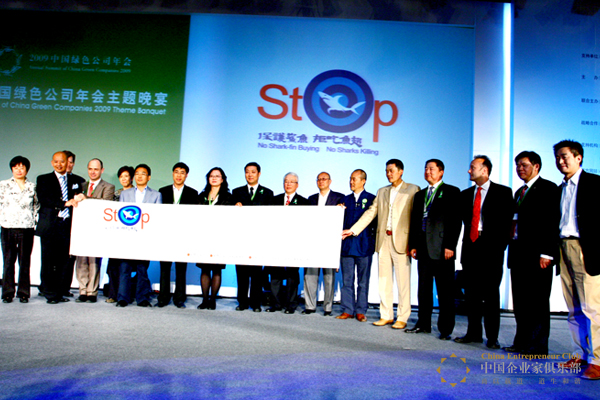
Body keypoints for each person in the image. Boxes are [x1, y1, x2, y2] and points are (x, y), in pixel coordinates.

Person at [342, 159, 419, 329]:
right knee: (384, 281)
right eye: (386, 171)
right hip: (383, 240)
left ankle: (402, 317)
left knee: (403, 282)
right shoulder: (382, 191)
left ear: (401, 171)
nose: (388, 174)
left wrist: (414, 242)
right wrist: (353, 230)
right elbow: (371, 213)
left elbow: (416, 218)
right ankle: (386, 315)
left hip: (402, 242)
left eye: (391, 170)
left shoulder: (413, 189)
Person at [503, 151, 558, 356]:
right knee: (521, 302)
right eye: (517, 165)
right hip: (518, 254)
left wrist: (548, 253)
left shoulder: (548, 188)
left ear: (536, 166)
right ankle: (521, 342)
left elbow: (552, 222)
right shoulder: (519, 192)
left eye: (524, 165)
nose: (520, 169)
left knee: (538, 303)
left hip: (538, 256)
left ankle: (537, 346)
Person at [454, 155, 513, 349]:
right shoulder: (465, 194)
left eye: (473, 167)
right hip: (470, 248)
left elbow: (507, 224)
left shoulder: (503, 192)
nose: (469, 171)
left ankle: (492, 337)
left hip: (491, 251)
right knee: (471, 295)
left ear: (485, 170)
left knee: (491, 295)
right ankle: (473, 334)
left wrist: (500, 247)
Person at [553, 140, 600, 380]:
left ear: (578, 157)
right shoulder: (559, 188)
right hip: (563, 247)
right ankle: (579, 354)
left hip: (585, 248)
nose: (561, 161)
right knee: (573, 308)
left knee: (593, 308)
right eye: (557, 157)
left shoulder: (594, 183)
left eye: (565, 156)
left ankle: (598, 361)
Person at [406, 159, 461, 340]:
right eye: (426, 169)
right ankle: (423, 324)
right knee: (423, 289)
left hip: (442, 248)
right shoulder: (420, 195)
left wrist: (450, 245)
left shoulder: (452, 192)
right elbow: (415, 221)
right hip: (423, 248)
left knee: (445, 291)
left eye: (431, 169)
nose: (428, 172)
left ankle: (445, 329)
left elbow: (455, 222)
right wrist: (413, 245)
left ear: (441, 172)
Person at [35, 151, 83, 304]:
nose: (59, 164)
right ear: (52, 163)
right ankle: (49, 294)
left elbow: (79, 196)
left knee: (63, 261)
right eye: (56, 161)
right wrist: (64, 203)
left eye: (62, 161)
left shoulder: (75, 180)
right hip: (50, 225)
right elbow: (44, 199)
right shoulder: (43, 179)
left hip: (67, 225)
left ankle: (60, 292)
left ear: (67, 163)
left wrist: (81, 197)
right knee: (49, 261)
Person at [116, 164, 162, 308]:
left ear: (149, 177)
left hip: (145, 238)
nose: (139, 176)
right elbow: (120, 215)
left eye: (143, 173)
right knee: (125, 268)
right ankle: (123, 298)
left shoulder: (156, 195)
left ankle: (142, 298)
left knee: (142, 269)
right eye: (137, 173)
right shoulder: (125, 194)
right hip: (128, 237)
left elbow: (157, 217)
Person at [231, 162, 273, 312]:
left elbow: (270, 216)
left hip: (258, 239)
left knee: (257, 273)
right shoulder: (236, 192)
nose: (250, 175)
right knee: (241, 272)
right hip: (241, 238)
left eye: (253, 172)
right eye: (247, 172)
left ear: (259, 174)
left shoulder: (268, 193)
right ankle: (242, 302)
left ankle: (256, 303)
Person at [336, 169, 376, 322]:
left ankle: (361, 310)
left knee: (363, 281)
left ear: (363, 181)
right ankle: (348, 310)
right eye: (350, 179)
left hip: (364, 246)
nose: (351, 182)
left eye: (354, 179)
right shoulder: (344, 200)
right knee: (347, 281)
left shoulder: (372, 199)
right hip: (347, 246)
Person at [267, 172, 309, 314]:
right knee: (275, 274)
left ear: (297, 185)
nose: (288, 184)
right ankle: (275, 304)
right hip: (276, 242)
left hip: (294, 244)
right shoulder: (274, 200)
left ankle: (291, 305)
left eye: (292, 181)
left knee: (292, 274)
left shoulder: (304, 202)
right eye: (286, 181)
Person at [157, 162, 199, 309]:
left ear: (186, 175)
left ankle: (179, 298)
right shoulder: (162, 191)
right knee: (164, 268)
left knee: (181, 269)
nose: (179, 175)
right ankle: (163, 298)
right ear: (172, 174)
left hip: (183, 236)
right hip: (166, 235)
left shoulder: (193, 193)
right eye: (176, 172)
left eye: (182, 172)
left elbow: (194, 216)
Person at [74, 159, 115, 303]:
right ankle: (82, 290)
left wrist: (85, 198)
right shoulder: (81, 185)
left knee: (94, 261)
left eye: (96, 169)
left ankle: (92, 291)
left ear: (102, 170)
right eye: (90, 169)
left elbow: (106, 204)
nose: (93, 172)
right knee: (81, 260)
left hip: (98, 229)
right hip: (81, 227)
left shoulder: (108, 187)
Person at [304, 172, 344, 316]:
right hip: (313, 242)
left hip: (330, 242)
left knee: (329, 277)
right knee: (310, 275)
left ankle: (328, 308)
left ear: (330, 181)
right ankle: (309, 306)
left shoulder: (339, 198)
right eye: (319, 179)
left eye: (324, 179)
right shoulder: (311, 199)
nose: (321, 181)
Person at [0, 156, 39, 303]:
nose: (19, 170)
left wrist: (32, 219)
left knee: (24, 261)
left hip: (26, 228)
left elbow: (36, 205)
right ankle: (7, 293)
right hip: (8, 227)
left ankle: (23, 293)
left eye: (22, 167)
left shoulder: (32, 186)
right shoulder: (3, 185)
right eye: (16, 167)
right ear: (12, 169)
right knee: (8, 261)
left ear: (27, 170)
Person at [196, 167, 232, 310]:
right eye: (212, 176)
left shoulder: (228, 197)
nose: (214, 178)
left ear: (222, 179)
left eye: (217, 176)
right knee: (204, 269)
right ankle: (204, 300)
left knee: (217, 270)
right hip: (203, 237)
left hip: (220, 238)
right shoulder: (201, 196)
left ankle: (212, 300)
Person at [104, 165, 134, 303]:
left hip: (133, 235)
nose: (124, 179)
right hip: (116, 234)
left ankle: (126, 294)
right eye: (121, 176)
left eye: (126, 176)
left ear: (131, 178)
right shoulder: (116, 194)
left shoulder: (137, 193)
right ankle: (112, 294)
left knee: (127, 267)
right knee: (113, 266)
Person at [61, 150, 85, 298]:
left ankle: (65, 288)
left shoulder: (79, 181)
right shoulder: (51, 179)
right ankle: (47, 288)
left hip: (73, 225)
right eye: (65, 162)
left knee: (69, 259)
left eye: (70, 162)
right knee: (51, 258)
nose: (68, 165)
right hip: (55, 224)